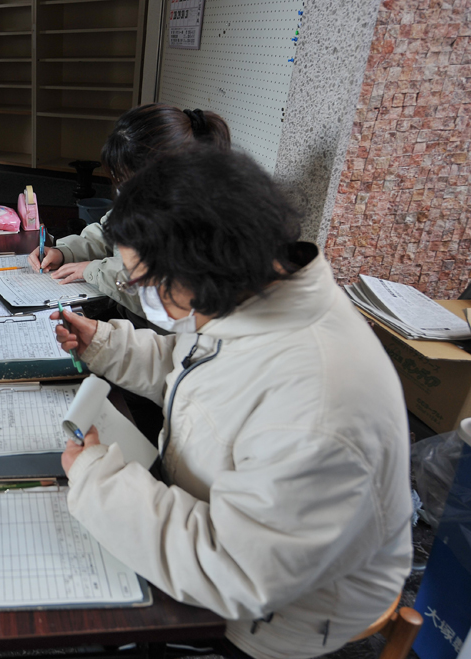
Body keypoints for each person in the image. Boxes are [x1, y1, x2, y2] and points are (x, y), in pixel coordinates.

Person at [54, 148, 412, 659]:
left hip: (275, 622)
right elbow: (199, 371)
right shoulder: (253, 295)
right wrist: (105, 344)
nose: (138, 292)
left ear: (199, 267)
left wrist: (94, 478)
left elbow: (237, 571)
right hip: (237, 537)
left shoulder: (318, 407)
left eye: (142, 281)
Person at [30, 104, 230, 324]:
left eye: (130, 180)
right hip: (128, 318)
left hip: (165, 338)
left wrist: (95, 270)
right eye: (120, 178)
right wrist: (64, 252)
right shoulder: (146, 198)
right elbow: (108, 234)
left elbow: (163, 296)